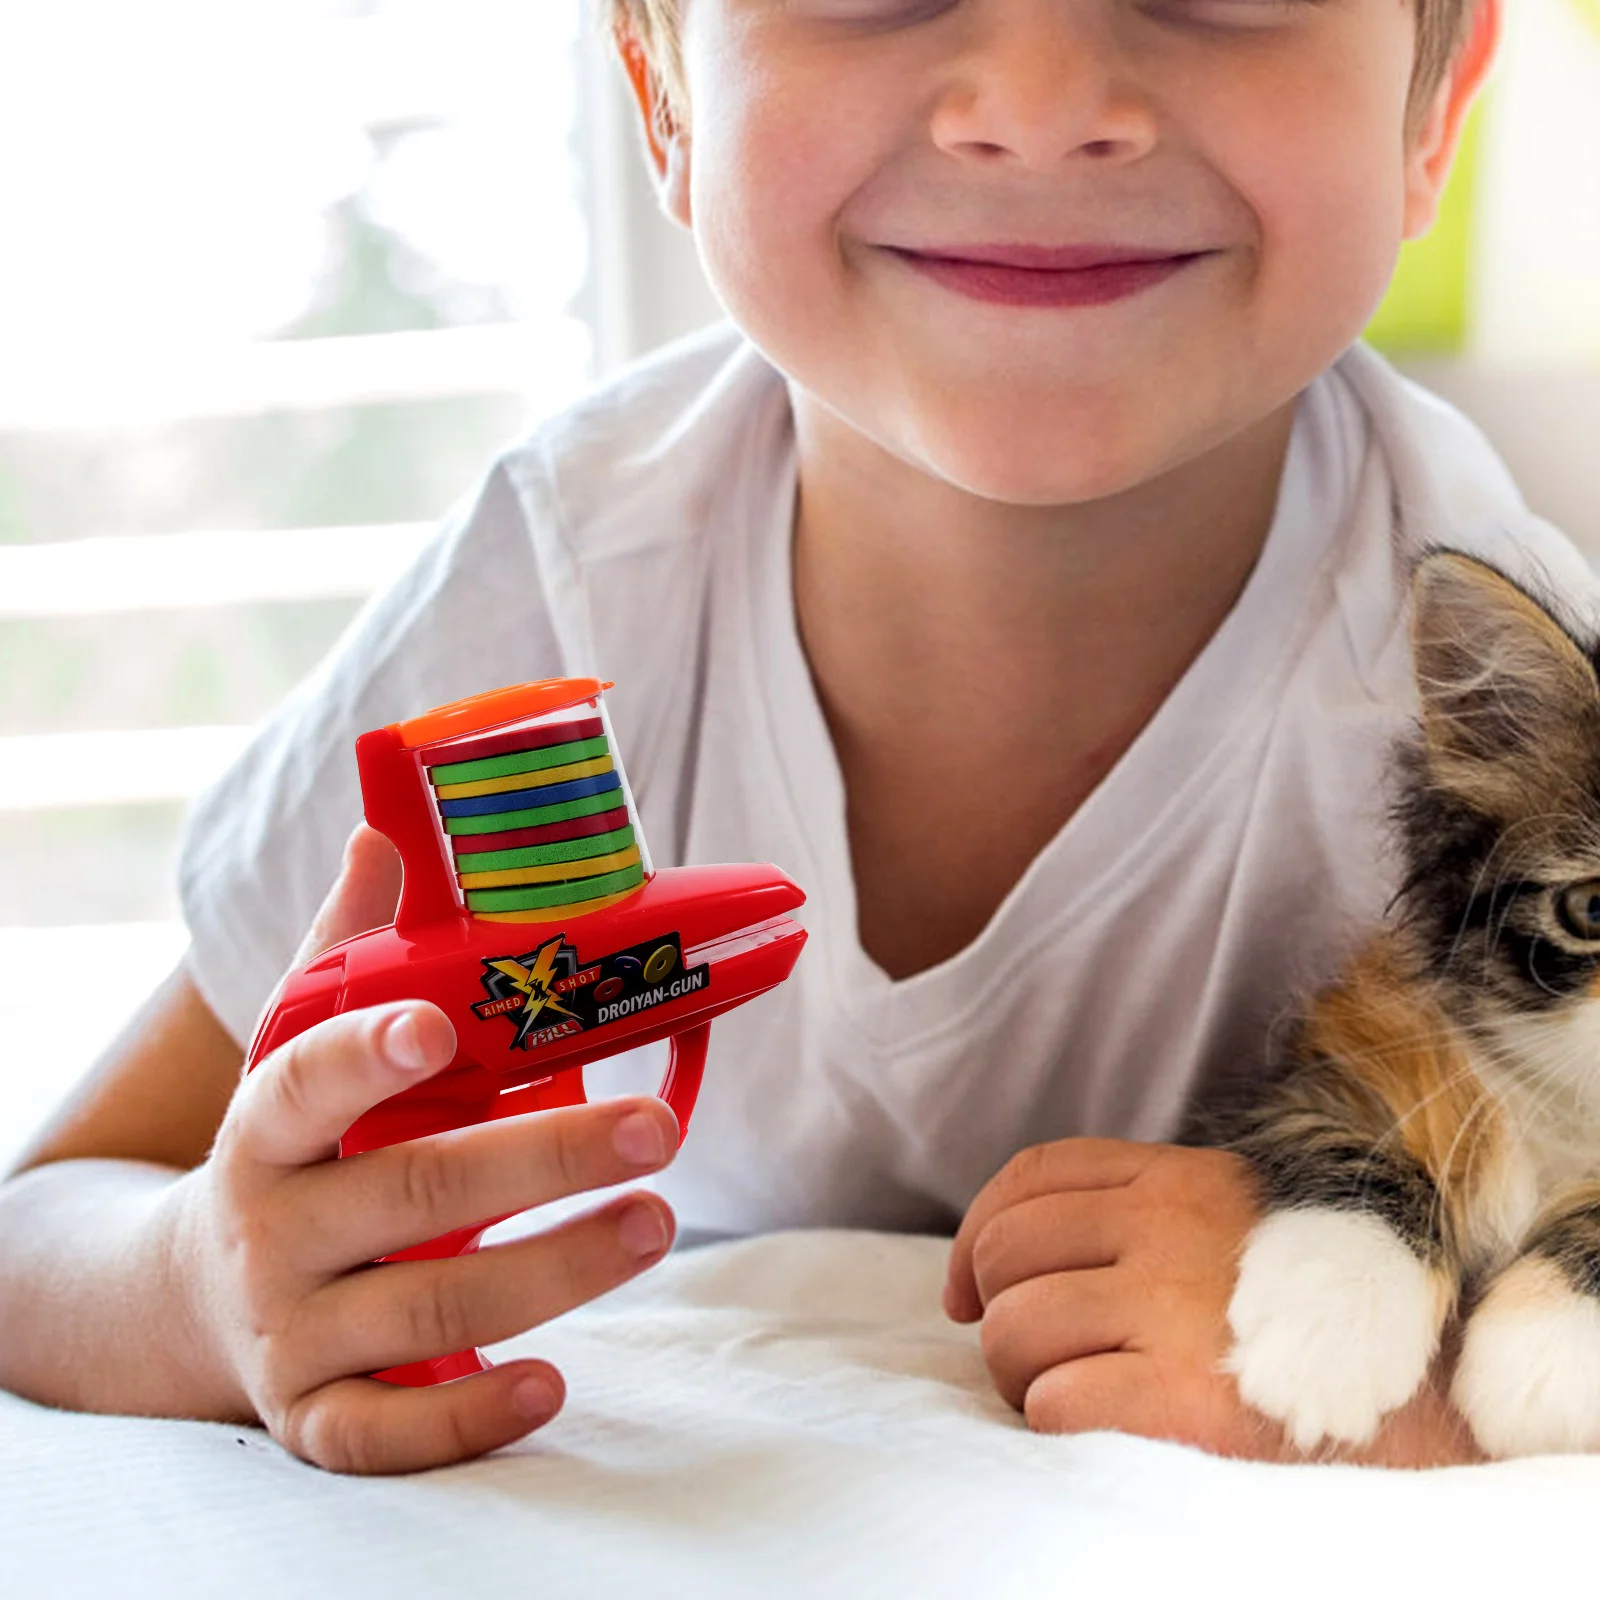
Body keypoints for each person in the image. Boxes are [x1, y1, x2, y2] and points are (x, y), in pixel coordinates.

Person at [0, 0, 1573, 1474]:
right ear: (659, 86)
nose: (1036, 108)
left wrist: (1394, 1383)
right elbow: (51, 1222)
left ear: (1436, 103)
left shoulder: (1525, 704)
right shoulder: (568, 573)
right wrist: (208, 1286)